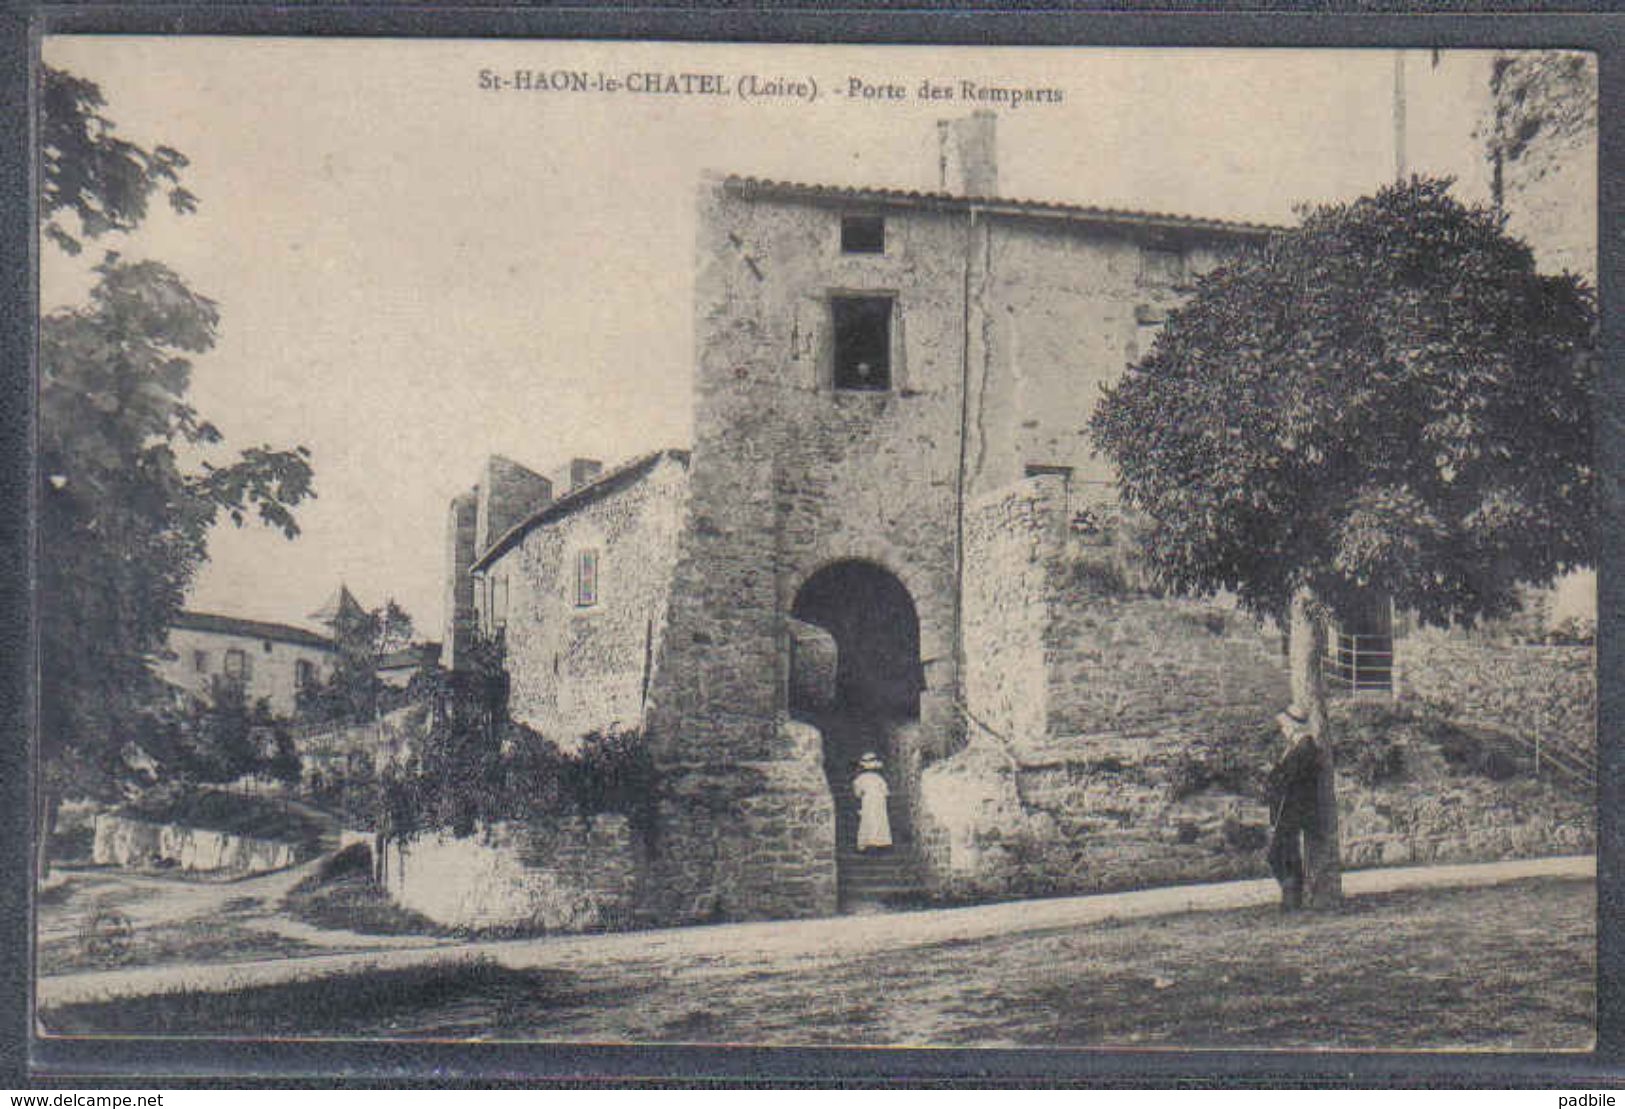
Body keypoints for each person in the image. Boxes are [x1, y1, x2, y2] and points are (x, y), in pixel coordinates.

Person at [1265, 707, 1321, 911]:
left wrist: (1276, 774)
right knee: (1283, 853)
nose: (1283, 731)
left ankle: (1292, 898)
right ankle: (1290, 897)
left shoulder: (1305, 748)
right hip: (1287, 809)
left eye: (1284, 726)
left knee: (1280, 854)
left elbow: (1291, 779)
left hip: (1294, 809)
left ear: (1293, 726)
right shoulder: (1297, 747)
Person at [852, 752, 893, 853]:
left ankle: (867, 842)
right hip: (878, 800)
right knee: (879, 819)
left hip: (868, 800)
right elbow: (886, 792)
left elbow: (857, 793)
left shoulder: (860, 779)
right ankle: (881, 842)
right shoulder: (879, 779)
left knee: (868, 820)